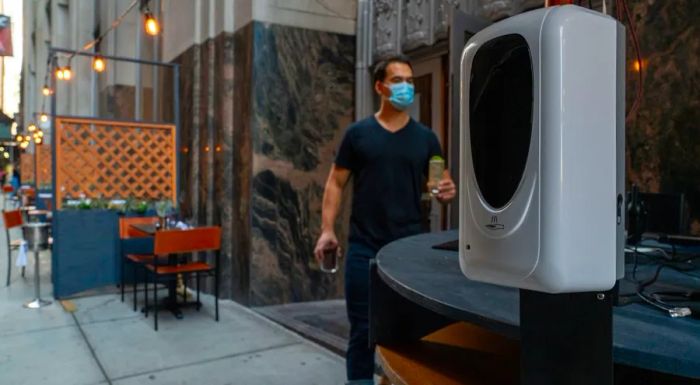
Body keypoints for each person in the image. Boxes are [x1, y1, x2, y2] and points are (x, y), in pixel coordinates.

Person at [314, 55, 457, 385]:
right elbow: (335, 183)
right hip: (365, 249)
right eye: (398, 81)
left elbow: (439, 182)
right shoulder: (358, 135)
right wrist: (326, 230)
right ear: (380, 87)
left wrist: (445, 190)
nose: (406, 86)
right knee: (363, 332)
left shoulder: (426, 139)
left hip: (409, 251)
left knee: (408, 333)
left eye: (409, 80)